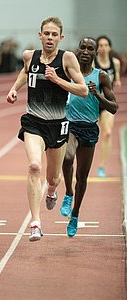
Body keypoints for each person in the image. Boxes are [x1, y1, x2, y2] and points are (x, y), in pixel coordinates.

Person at [7, 16, 88, 242]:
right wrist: (14, 89)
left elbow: (83, 90)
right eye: (47, 33)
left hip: (57, 125)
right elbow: (25, 71)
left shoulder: (67, 59)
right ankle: (35, 222)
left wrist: (58, 81)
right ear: (40, 35)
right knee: (34, 166)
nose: (50, 38)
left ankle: (51, 191)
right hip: (33, 122)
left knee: (53, 178)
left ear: (61, 38)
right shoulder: (29, 56)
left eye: (55, 34)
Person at [59, 37, 118, 237]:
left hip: (90, 128)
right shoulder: (69, 72)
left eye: (89, 48)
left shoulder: (100, 76)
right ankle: (68, 193)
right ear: (78, 50)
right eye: (82, 47)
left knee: (82, 177)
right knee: (67, 158)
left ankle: (75, 214)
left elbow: (114, 107)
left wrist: (98, 95)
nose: (85, 51)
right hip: (70, 124)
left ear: (94, 53)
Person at [94, 35, 121, 177]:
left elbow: (116, 79)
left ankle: (102, 166)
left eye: (106, 45)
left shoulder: (115, 63)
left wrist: (116, 81)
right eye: (101, 45)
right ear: (97, 48)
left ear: (110, 47)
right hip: (92, 102)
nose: (103, 48)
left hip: (107, 103)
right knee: (88, 135)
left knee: (108, 133)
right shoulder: (93, 63)